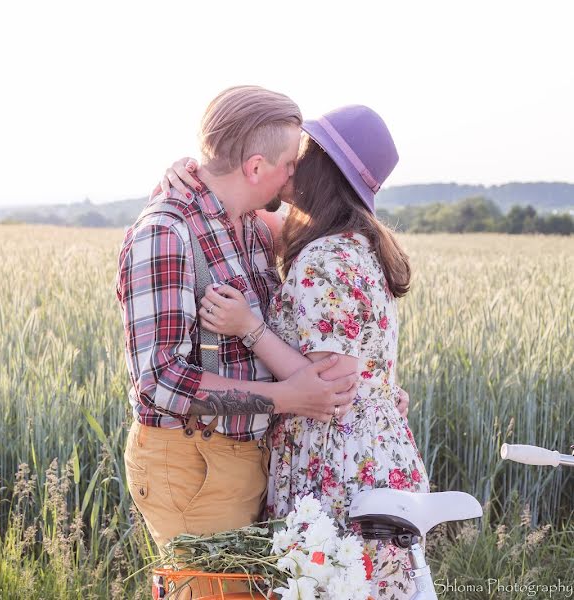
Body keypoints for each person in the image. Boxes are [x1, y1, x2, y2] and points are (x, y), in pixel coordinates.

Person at [159, 105, 429, 598]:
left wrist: (251, 328)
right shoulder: (354, 242)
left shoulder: (327, 256)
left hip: (338, 461)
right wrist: (188, 173)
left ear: (321, 167)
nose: (291, 159)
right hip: (365, 451)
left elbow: (330, 388)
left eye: (303, 151)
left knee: (331, 582)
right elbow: (232, 198)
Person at [115, 86, 360, 598]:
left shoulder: (247, 224)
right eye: (291, 163)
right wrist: (287, 398)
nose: (298, 174)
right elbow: (160, 382)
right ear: (254, 167)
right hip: (192, 464)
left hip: (243, 458)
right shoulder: (164, 234)